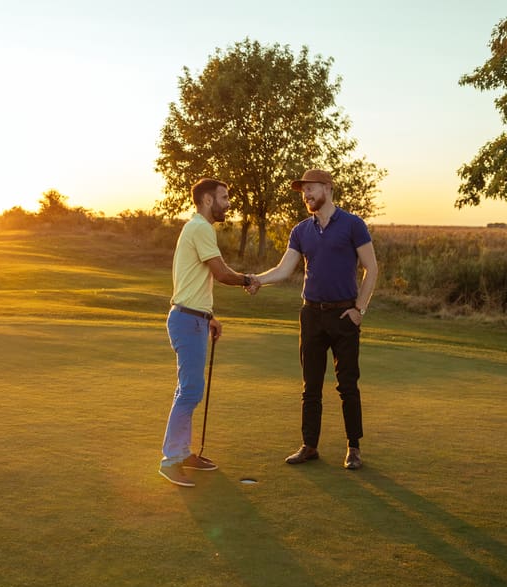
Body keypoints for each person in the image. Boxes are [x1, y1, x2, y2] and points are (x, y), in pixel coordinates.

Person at [248, 169, 378, 470]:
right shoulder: (301, 230)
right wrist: (256, 279)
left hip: (344, 314)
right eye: (303, 190)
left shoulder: (352, 224)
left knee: (347, 385)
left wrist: (360, 309)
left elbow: (371, 268)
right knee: (311, 386)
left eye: (310, 189)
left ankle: (354, 448)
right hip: (311, 315)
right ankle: (309, 446)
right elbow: (283, 269)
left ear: (328, 188)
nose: (305, 195)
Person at [159, 178, 256, 487]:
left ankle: (183, 453)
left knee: (188, 389)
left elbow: (197, 279)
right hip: (187, 321)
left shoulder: (199, 228)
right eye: (224, 197)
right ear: (207, 200)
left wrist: (210, 316)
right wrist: (247, 280)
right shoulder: (201, 228)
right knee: (189, 391)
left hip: (195, 318)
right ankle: (170, 459)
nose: (229, 203)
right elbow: (220, 272)